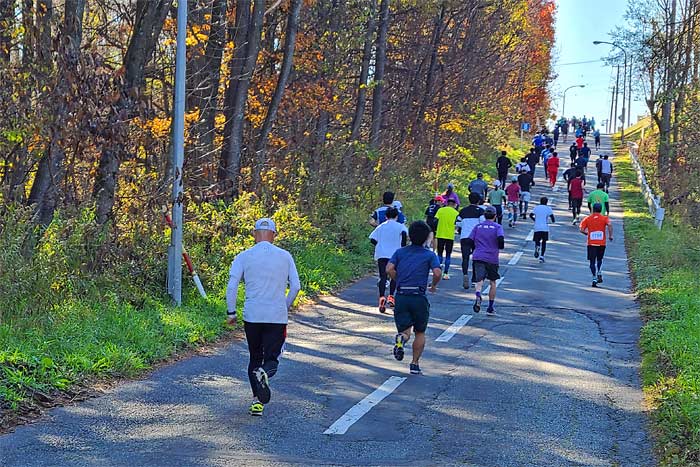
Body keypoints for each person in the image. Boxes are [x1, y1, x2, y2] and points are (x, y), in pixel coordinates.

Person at [226, 218, 301, 417]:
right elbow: (295, 286)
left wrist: (231, 312)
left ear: (254, 233)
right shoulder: (285, 256)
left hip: (252, 315)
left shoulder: (244, 256)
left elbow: (232, 285)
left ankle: (257, 401)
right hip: (276, 315)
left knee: (255, 357)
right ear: (274, 235)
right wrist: (284, 306)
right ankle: (265, 374)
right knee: (272, 359)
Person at [386, 221, 442, 375]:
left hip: (402, 295)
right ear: (426, 238)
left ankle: (401, 339)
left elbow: (389, 268)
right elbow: (437, 273)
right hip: (418, 296)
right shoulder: (429, 255)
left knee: (405, 331)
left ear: (410, 236)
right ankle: (414, 363)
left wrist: (398, 279)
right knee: (420, 332)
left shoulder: (400, 252)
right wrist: (433, 286)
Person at [465, 206, 505, 315]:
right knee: (492, 282)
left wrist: (475, 247)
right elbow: (500, 239)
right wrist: (500, 246)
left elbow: (469, 240)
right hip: (492, 257)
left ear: (484, 216)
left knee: (479, 280)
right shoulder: (498, 227)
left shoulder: (478, 226)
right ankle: (490, 307)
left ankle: (478, 294)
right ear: (495, 216)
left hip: (478, 256)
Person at [369, 207, 408, 313]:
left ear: (386, 216)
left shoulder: (381, 226)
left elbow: (372, 239)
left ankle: (381, 297)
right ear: (396, 216)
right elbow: (405, 236)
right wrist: (402, 248)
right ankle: (391, 296)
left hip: (382, 254)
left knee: (383, 276)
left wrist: (380, 245)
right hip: (395, 254)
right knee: (394, 276)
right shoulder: (400, 227)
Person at [579, 203, 614, 287]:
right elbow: (609, 224)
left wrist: (587, 233)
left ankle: (594, 277)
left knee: (592, 262)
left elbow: (581, 229)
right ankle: (599, 272)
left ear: (592, 209)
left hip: (591, 243)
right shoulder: (604, 218)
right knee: (600, 259)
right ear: (601, 209)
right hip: (601, 243)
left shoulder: (587, 219)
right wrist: (610, 235)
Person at [457, 193, 485, 289]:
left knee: (465, 258)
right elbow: (482, 223)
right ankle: (474, 279)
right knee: (476, 258)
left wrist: (464, 226)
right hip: (476, 238)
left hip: (464, 236)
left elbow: (457, 223)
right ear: (478, 201)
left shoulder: (463, 211)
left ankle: (465, 274)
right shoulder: (480, 211)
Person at [434, 198, 459, 279]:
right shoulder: (456, 213)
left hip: (440, 234)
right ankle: (446, 273)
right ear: (454, 204)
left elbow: (435, 220)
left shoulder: (441, 210)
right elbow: (457, 224)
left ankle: (438, 271)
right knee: (448, 254)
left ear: (447, 203)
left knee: (440, 254)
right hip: (450, 236)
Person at [529, 197, 555, 263]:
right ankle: (542, 256)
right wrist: (552, 221)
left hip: (537, 227)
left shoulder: (536, 208)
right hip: (545, 228)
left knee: (537, 241)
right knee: (544, 242)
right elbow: (552, 218)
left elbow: (531, 215)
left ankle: (537, 247)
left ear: (540, 201)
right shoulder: (548, 208)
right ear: (546, 202)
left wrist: (535, 220)